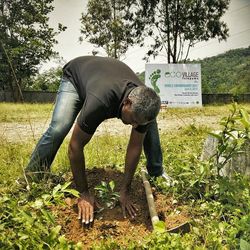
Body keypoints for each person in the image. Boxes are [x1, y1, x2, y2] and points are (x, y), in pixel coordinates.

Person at [25, 56, 166, 224]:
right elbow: (75, 146)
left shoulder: (143, 104)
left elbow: (135, 147)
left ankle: (157, 171)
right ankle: (32, 175)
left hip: (106, 75)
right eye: (133, 119)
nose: (134, 126)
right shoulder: (101, 101)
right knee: (59, 126)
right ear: (127, 103)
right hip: (76, 75)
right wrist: (83, 193)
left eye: (138, 123)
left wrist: (125, 189)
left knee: (148, 125)